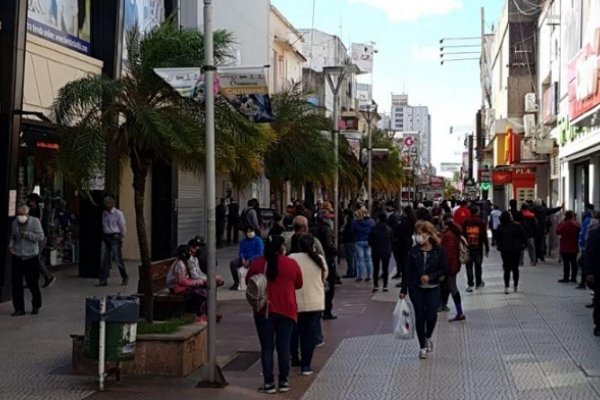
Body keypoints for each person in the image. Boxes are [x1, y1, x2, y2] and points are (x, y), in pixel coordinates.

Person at [246, 235, 303, 394]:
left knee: (267, 348)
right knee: (284, 347)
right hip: (287, 310)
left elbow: (248, 282)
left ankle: (269, 384)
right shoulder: (291, 263)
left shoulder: (258, 263)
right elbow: (299, 284)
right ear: (282, 247)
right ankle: (284, 382)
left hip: (264, 311)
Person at [399, 221, 448, 359]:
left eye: (420, 233)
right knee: (420, 316)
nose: (417, 237)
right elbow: (407, 271)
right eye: (416, 234)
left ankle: (427, 336)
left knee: (431, 315)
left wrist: (431, 276)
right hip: (416, 288)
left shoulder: (439, 250)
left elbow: (444, 269)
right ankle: (422, 346)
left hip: (433, 287)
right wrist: (404, 289)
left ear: (428, 234)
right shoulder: (413, 252)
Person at [288, 235, 328, 376]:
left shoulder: (292, 257)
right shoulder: (319, 259)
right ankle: (306, 366)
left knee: (294, 332)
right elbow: (324, 277)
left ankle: (294, 357)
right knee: (309, 335)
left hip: (296, 301)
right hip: (315, 302)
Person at [9, 205, 45, 316]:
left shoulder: (35, 222)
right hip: (18, 256)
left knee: (32, 283)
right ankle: (19, 308)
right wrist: (11, 247)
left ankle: (36, 305)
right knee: (16, 284)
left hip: (31, 256)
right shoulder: (15, 223)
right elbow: (13, 237)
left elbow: (40, 237)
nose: (20, 217)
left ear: (27, 214)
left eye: (22, 214)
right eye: (18, 214)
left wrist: (27, 234)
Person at [167, 245, 208, 322]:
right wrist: (198, 282)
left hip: (181, 287)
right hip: (177, 289)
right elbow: (182, 281)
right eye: (188, 252)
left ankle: (204, 314)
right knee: (202, 293)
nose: (190, 253)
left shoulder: (184, 262)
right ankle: (200, 315)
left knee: (204, 290)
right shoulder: (180, 265)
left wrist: (199, 282)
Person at [312, 210, 338, 320]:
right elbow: (329, 244)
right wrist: (334, 250)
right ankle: (327, 310)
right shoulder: (326, 229)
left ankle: (320, 308)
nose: (330, 219)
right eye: (328, 217)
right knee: (329, 286)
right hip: (327, 259)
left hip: (317, 258)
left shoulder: (314, 228)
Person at [26, 193, 56, 288]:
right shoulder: (32, 210)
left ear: (34, 201)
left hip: (41, 237)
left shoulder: (39, 210)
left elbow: (37, 223)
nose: (29, 202)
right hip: (36, 236)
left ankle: (48, 276)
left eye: (30, 200)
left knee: (34, 257)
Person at [98, 196, 128, 287]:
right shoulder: (104, 213)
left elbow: (122, 225)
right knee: (103, 258)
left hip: (115, 235)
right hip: (106, 235)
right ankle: (103, 279)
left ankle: (124, 276)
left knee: (117, 258)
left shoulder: (118, 214)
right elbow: (104, 224)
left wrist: (122, 236)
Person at [440, 215, 466, 321]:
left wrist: (445, 269)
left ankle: (460, 313)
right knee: (448, 286)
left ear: (446, 225)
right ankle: (443, 305)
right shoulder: (454, 233)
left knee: (452, 287)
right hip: (454, 264)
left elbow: (448, 254)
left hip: (450, 266)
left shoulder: (448, 236)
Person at [496, 211, 527, 294]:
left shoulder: (500, 227)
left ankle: (506, 287)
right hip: (516, 249)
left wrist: (500, 246)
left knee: (506, 268)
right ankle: (516, 286)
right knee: (515, 268)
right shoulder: (517, 225)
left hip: (505, 250)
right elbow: (524, 236)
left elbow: (497, 238)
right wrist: (524, 245)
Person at [462, 206, 490, 292]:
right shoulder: (481, 222)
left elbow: (463, 234)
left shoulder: (466, 221)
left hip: (468, 247)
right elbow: (484, 236)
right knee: (478, 266)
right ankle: (478, 283)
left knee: (469, 266)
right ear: (477, 212)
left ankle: (470, 284)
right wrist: (487, 248)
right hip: (478, 247)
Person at [369, 212, 392, 293]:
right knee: (385, 269)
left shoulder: (374, 229)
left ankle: (375, 285)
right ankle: (385, 286)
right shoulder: (389, 229)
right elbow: (392, 240)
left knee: (376, 269)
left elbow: (370, 241)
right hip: (386, 251)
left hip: (376, 251)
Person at [394, 206, 417, 287]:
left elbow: (398, 229)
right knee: (406, 263)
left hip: (402, 243)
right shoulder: (413, 220)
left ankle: (404, 281)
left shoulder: (404, 220)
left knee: (404, 264)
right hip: (408, 242)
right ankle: (407, 280)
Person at [556, 211, 581, 283]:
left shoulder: (564, 224)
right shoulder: (576, 224)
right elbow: (579, 230)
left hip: (565, 246)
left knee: (566, 263)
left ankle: (566, 278)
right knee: (574, 263)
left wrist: (561, 223)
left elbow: (557, 231)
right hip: (574, 246)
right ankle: (573, 278)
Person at [353, 207, 375, 283]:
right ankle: (369, 276)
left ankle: (360, 276)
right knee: (368, 259)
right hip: (368, 241)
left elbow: (352, 230)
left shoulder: (356, 222)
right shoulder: (372, 221)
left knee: (360, 259)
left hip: (358, 240)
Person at [341, 209, 357, 278]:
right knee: (353, 257)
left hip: (349, 240)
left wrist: (343, 231)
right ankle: (354, 271)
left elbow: (349, 231)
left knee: (350, 257)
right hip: (353, 240)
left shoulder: (349, 221)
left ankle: (350, 272)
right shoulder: (354, 220)